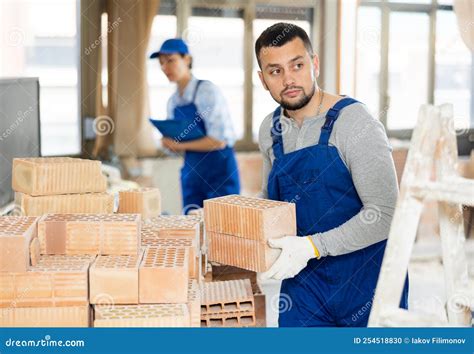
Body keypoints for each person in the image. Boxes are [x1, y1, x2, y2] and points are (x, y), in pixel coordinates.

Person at [256, 23, 409, 327]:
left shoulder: (354, 122)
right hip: (304, 285)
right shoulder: (269, 130)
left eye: (297, 65)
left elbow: (386, 213)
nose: (288, 79)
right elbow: (269, 202)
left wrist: (313, 247)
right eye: (275, 71)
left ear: (314, 64)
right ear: (262, 80)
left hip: (368, 283)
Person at [149, 38, 240, 213]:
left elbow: (218, 141)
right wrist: (168, 144)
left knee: (223, 226)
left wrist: (178, 144)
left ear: (187, 60)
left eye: (170, 60)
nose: (165, 67)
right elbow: (175, 147)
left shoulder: (207, 91)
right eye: (161, 63)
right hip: (192, 174)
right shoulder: (173, 102)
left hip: (219, 173)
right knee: (193, 226)